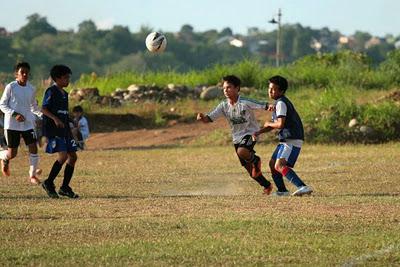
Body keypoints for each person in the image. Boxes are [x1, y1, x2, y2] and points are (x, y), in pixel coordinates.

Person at [197, 75, 273, 195]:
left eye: (229, 87)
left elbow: (262, 105)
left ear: (237, 88)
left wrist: (270, 107)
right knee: (249, 171)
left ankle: (256, 160)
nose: (226, 90)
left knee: (242, 151)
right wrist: (202, 117)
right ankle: (267, 185)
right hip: (236, 138)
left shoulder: (244, 102)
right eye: (224, 88)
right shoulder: (223, 105)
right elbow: (208, 119)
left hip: (251, 133)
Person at [253, 75, 313, 196]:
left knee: (279, 165)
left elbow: (280, 124)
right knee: (272, 163)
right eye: (269, 88)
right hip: (286, 139)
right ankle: (282, 190)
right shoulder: (279, 103)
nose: (270, 91)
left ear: (281, 91)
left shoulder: (281, 103)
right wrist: (259, 131)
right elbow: (274, 125)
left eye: (273, 89)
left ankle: (302, 186)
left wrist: (268, 123)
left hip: (291, 138)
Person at [0, 62, 42, 184]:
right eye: (22, 72)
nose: (24, 74)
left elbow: (33, 106)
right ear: (16, 74)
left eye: (26, 72)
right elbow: (2, 104)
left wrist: (41, 115)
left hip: (28, 124)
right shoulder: (11, 87)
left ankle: (32, 176)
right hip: (12, 125)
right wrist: (14, 114)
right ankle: (3, 157)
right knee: (12, 154)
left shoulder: (31, 88)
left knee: (33, 148)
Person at [41, 65, 79, 199]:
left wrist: (70, 120)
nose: (68, 80)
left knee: (73, 157)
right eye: (66, 77)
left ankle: (64, 187)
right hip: (54, 129)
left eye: (69, 77)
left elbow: (63, 112)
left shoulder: (65, 94)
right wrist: (55, 119)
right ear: (57, 78)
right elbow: (44, 109)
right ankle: (48, 182)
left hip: (65, 130)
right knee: (63, 157)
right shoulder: (51, 91)